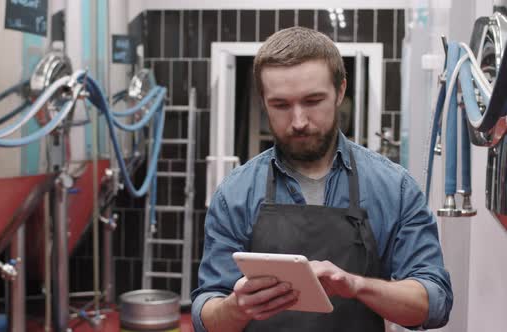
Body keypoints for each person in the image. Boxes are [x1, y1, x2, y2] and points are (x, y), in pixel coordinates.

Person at [191, 27, 453, 332]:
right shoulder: (235, 193)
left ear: (340, 91)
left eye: (313, 101)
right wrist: (235, 308)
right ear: (263, 101)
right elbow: (206, 315)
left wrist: (357, 286)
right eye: (281, 105)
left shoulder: (393, 187)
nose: (299, 121)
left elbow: (434, 303)